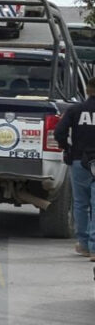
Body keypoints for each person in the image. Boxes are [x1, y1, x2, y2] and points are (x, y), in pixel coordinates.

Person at [53, 75, 95, 261]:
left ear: (87, 90)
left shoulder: (75, 110)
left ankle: (84, 244)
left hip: (79, 160)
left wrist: (67, 148)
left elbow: (59, 132)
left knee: (80, 204)